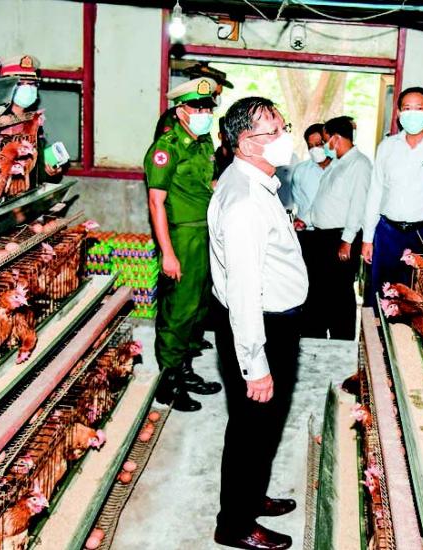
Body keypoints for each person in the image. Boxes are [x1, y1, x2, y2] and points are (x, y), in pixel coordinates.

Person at [208, 97, 307, 550]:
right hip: (260, 327)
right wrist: (255, 364)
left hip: (272, 321)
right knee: (252, 430)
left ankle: (250, 497)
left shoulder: (254, 181)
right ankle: (235, 524)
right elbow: (244, 291)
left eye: (284, 127)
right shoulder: (245, 202)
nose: (285, 138)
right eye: (274, 132)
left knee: (262, 426)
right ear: (247, 144)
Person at [144, 76, 223, 412]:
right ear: (180, 111)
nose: (204, 113)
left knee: (198, 308)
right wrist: (168, 253)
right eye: (197, 108)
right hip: (181, 236)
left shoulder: (204, 144)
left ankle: (185, 370)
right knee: (178, 312)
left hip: (205, 235)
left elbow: (209, 184)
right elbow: (156, 203)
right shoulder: (166, 148)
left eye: (207, 108)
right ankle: (168, 383)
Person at [362, 86, 423, 307]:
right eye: (407, 108)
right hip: (387, 233)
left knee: (420, 300)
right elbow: (375, 192)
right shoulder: (387, 147)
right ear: (398, 113)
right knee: (382, 296)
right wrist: (367, 237)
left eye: (419, 108)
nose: (412, 113)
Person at [307, 116, 371, 339]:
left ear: (335, 138)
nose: (325, 146)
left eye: (325, 140)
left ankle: (341, 340)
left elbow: (358, 205)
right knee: (321, 291)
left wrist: (347, 241)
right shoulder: (338, 163)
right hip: (323, 237)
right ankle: (318, 339)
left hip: (341, 237)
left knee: (340, 294)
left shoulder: (359, 164)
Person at [289, 123, 332, 336]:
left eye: (320, 143)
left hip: (334, 235)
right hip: (309, 237)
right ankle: (313, 335)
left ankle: (341, 337)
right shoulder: (301, 172)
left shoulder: (342, 169)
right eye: (311, 145)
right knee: (311, 288)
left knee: (335, 290)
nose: (316, 149)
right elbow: (299, 202)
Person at [0, 55, 65, 182]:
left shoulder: (33, 120)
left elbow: (35, 166)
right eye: (20, 83)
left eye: (31, 84)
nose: (27, 88)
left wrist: (50, 171)